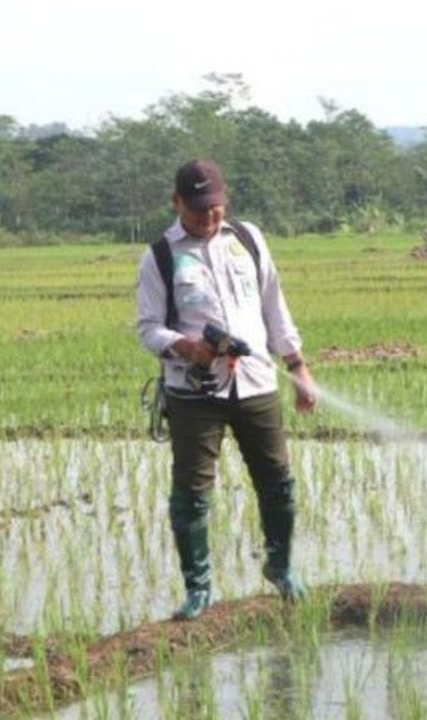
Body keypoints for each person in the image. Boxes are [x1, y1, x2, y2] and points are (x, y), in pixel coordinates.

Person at [135, 159, 319, 620]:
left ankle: (280, 567)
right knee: (193, 491)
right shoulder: (160, 256)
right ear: (176, 203)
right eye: (198, 211)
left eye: (215, 209)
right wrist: (186, 347)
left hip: (256, 382)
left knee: (277, 480)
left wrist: (297, 366)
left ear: (225, 201)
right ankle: (198, 589)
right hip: (195, 391)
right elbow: (147, 328)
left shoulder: (248, 240)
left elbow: (274, 306)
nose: (208, 219)